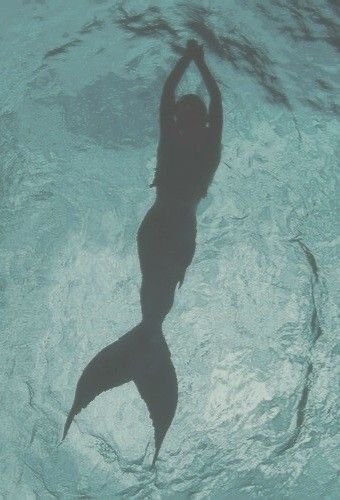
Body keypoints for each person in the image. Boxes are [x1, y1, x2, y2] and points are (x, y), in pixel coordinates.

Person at [63, 40, 223, 465]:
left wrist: (196, 65)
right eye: (184, 116)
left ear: (201, 122)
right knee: (156, 286)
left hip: (173, 228)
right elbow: (167, 100)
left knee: (159, 287)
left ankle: (146, 342)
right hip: (162, 228)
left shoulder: (203, 145)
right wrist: (191, 63)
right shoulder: (182, 140)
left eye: (192, 116)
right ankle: (148, 341)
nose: (185, 119)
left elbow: (197, 101)